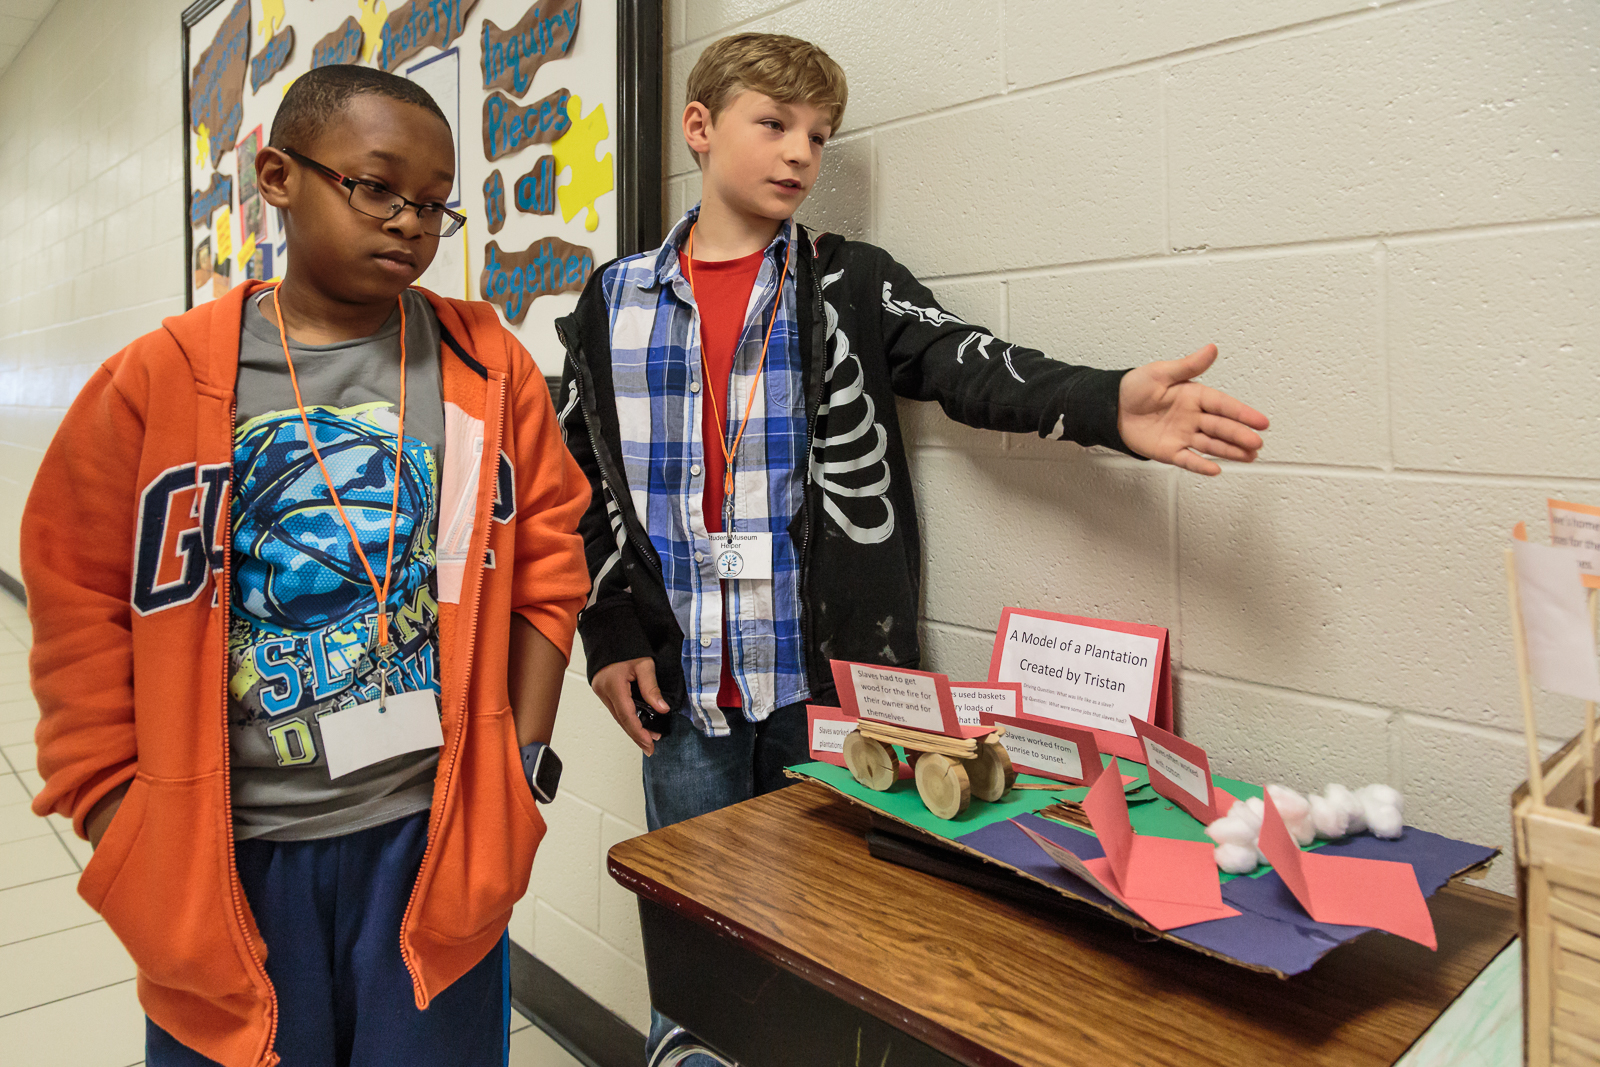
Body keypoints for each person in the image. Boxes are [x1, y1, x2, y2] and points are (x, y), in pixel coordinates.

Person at [556, 32, 1270, 1063]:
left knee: (835, 934)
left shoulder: (849, 281)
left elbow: (966, 365)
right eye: (774, 124)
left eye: (818, 135)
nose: (800, 153)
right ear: (700, 128)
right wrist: (609, 628)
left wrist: (1106, 403)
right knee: (695, 931)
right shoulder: (608, 301)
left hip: (828, 685)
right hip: (686, 682)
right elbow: (580, 478)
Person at [22, 65, 589, 1067]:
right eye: (376, 187)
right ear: (279, 175)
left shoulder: (484, 366)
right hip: (234, 850)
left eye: (434, 204)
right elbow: (78, 600)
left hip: (431, 831)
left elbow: (547, 545)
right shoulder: (163, 379)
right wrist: (119, 813)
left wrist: (521, 752)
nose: (410, 222)